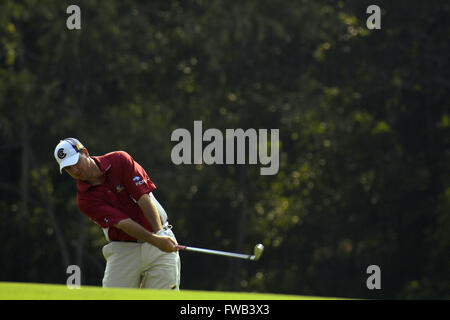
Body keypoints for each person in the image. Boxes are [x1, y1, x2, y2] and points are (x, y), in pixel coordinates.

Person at [53, 137, 181, 289]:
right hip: (123, 251)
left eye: (75, 163)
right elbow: (123, 223)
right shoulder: (84, 200)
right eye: (68, 168)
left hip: (160, 238)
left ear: (85, 153)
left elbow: (143, 197)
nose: (75, 171)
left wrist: (160, 234)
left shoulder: (119, 160)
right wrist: (156, 240)